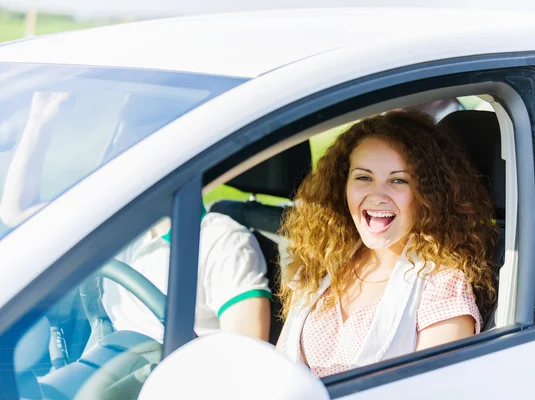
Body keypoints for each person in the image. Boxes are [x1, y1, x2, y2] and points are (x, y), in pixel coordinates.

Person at [0, 91, 272, 342]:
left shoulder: (223, 241)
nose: (118, 159)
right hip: (112, 360)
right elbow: (18, 213)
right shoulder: (120, 220)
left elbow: (245, 363)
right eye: (119, 146)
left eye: (130, 146)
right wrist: (39, 122)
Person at [276, 110, 498, 377]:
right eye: (363, 177)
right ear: (342, 185)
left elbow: (436, 389)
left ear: (427, 196)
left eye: (398, 180)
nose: (377, 195)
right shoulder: (321, 264)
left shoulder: (442, 286)